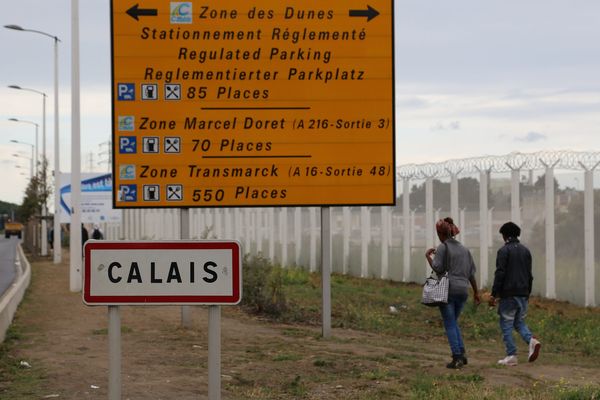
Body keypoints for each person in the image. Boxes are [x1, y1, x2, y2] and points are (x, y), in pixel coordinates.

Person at [425, 217, 480, 369]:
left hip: (448, 290)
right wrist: (476, 292)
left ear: (440, 233)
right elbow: (471, 274)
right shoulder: (464, 249)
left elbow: (438, 268)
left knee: (449, 323)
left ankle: (457, 358)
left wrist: (428, 257)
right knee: (453, 322)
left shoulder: (443, 247)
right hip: (463, 291)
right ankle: (462, 353)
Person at [489, 221, 541, 366]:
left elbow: (500, 273)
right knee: (519, 322)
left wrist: (494, 294)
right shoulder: (526, 251)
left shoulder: (504, 251)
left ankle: (511, 355)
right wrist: (527, 292)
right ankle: (532, 340)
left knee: (506, 323)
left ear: (505, 236)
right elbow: (529, 275)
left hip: (508, 294)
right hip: (523, 293)